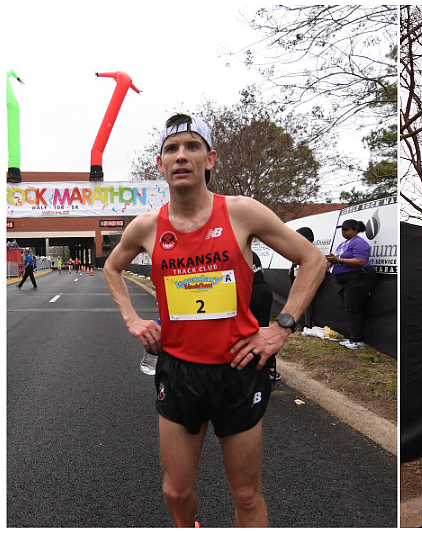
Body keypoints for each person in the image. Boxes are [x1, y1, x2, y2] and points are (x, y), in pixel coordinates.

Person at [103, 113, 326, 527]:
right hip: (180, 370)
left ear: (210, 159)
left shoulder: (243, 212)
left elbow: (313, 259)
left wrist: (283, 327)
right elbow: (112, 268)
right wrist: (132, 319)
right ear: (160, 164)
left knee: (244, 493)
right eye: (172, 149)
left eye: (192, 147)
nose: (181, 156)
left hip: (238, 370)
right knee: (175, 490)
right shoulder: (147, 226)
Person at [325, 219, 377, 350]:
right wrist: (332, 261)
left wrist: (339, 260)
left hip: (358, 278)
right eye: (342, 229)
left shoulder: (360, 243)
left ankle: (358, 341)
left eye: (347, 229)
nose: (344, 232)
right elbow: (340, 259)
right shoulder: (343, 244)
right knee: (350, 308)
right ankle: (354, 337)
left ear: (355, 230)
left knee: (353, 308)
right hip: (344, 280)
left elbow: (360, 261)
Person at [249, 250, 280, 381]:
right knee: (264, 330)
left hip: (249, 292)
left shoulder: (236, 251)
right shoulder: (253, 254)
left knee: (249, 332)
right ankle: (271, 367)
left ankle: (255, 367)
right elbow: (261, 271)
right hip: (264, 290)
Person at [289, 227, 316, 329]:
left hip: (305, 278)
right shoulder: (299, 248)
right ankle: (291, 320)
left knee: (305, 300)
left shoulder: (312, 250)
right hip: (296, 277)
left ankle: (307, 323)